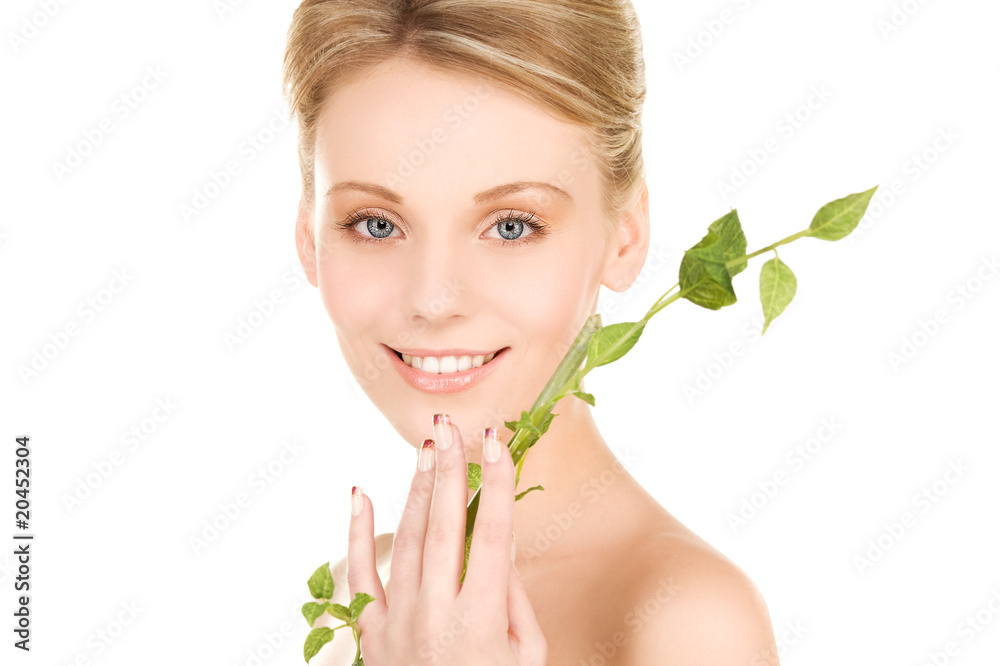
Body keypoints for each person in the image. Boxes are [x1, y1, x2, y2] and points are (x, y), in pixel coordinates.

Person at [284, 1, 778, 663]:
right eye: (376, 225)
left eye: (511, 226)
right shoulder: (358, 594)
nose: (433, 300)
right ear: (308, 237)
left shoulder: (686, 622)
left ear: (625, 235)